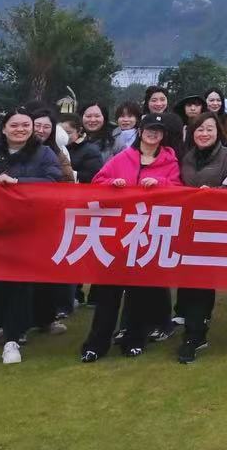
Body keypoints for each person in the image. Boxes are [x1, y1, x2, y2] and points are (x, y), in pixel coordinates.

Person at [0, 107, 65, 367]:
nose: (21, 129)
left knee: (20, 290)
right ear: (4, 128)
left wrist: (19, 182)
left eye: (25, 125)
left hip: (27, 234)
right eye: (14, 125)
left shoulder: (44, 154)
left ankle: (13, 340)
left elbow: (54, 184)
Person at [82, 112, 183, 360]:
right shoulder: (123, 157)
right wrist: (112, 184)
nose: (153, 134)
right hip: (118, 234)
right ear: (140, 131)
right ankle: (96, 344)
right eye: (149, 129)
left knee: (140, 294)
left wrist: (159, 183)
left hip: (148, 233)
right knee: (108, 294)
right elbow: (98, 182)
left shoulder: (170, 162)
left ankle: (135, 340)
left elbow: (179, 191)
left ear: (163, 135)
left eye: (158, 131)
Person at [173, 111, 227, 362]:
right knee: (189, 280)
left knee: (203, 281)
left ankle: (195, 335)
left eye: (209, 129)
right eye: (199, 129)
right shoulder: (187, 157)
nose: (204, 134)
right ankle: (192, 328)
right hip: (187, 226)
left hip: (215, 227)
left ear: (218, 132)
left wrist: (213, 192)